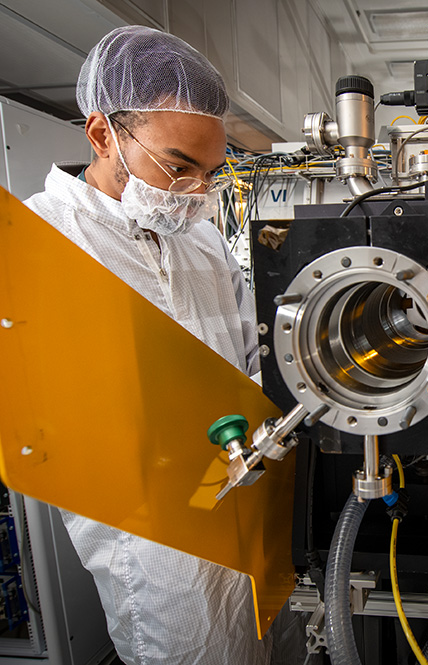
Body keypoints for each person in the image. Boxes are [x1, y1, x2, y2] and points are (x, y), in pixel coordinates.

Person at [23, 26, 287, 664]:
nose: (197, 192)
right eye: (179, 167)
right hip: (150, 536)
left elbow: (251, 357)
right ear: (102, 135)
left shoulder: (201, 241)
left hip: (245, 500)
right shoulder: (40, 241)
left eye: (210, 173)